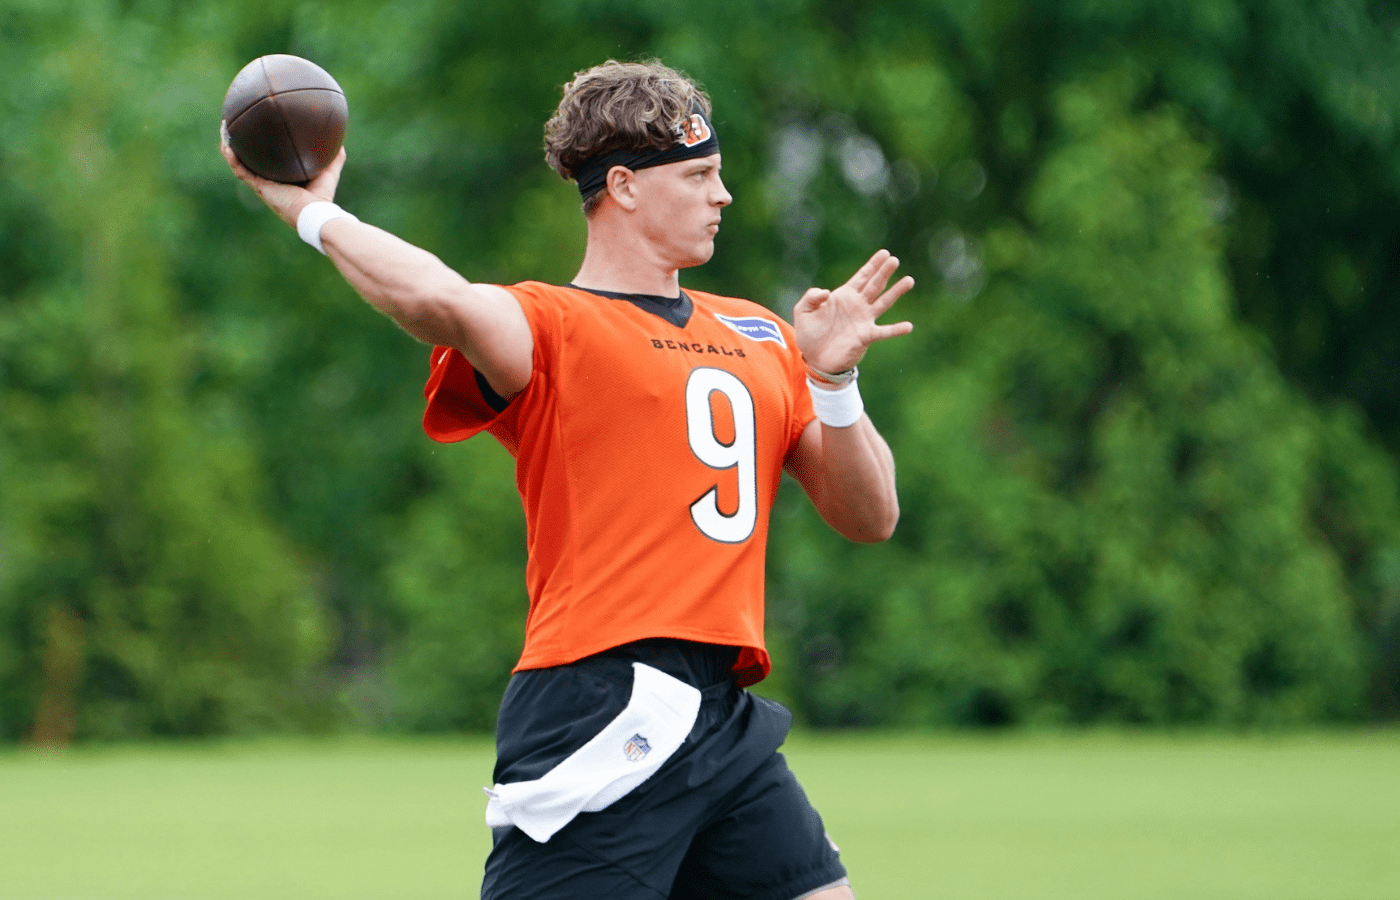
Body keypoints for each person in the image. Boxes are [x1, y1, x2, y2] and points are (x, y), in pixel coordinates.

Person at [222, 58, 912, 900]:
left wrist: (835, 387)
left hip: (724, 714)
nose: (721, 196)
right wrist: (312, 212)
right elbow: (438, 298)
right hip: (605, 701)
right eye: (698, 176)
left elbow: (870, 516)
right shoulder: (553, 324)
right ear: (622, 186)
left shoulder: (761, 334)